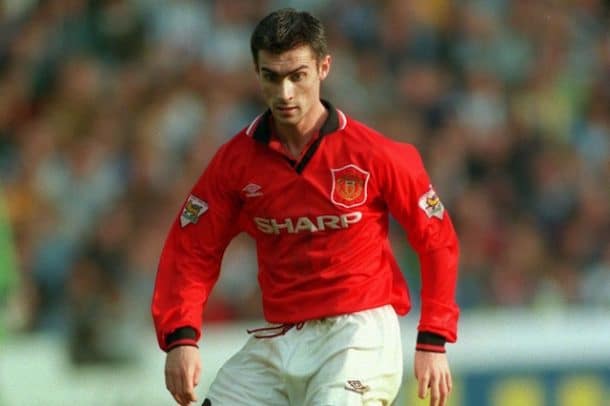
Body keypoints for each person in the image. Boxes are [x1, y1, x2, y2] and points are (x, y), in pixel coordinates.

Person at [151, 8, 459, 406]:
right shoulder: (234, 163)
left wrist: (433, 338)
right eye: (272, 77)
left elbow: (436, 240)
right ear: (256, 73)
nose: (285, 93)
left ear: (323, 67)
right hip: (281, 336)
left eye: (297, 75)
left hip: (358, 334)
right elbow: (191, 249)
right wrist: (181, 336)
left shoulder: (376, 154)